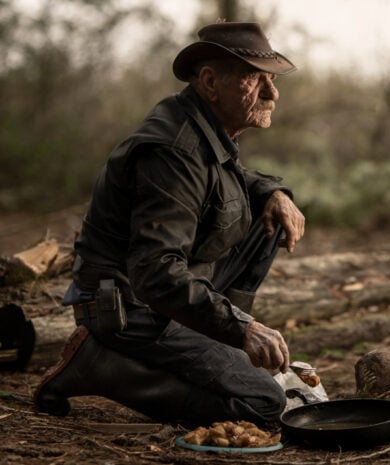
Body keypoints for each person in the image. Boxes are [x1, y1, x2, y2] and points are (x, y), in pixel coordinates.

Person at [34, 21, 305, 426]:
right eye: (255, 78)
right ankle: (98, 367)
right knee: (265, 404)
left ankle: (219, 346)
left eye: (271, 79)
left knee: (268, 224)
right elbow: (155, 272)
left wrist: (271, 192)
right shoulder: (173, 151)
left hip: (163, 290)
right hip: (129, 307)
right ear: (211, 82)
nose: (272, 92)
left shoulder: (203, 123)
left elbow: (218, 178)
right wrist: (241, 329)